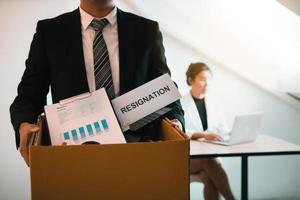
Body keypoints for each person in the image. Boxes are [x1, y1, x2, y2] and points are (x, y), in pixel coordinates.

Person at [10, 0, 184, 166]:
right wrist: (24, 124)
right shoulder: (50, 32)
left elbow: (166, 90)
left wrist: (176, 123)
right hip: (73, 158)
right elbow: (28, 95)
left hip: (139, 154)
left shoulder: (146, 30)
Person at [181, 62, 234, 200]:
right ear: (191, 80)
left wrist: (232, 133)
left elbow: (223, 129)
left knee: (210, 177)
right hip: (187, 158)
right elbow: (179, 130)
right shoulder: (180, 104)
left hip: (209, 156)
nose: (207, 84)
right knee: (209, 161)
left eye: (209, 80)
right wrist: (202, 135)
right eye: (203, 79)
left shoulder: (214, 103)